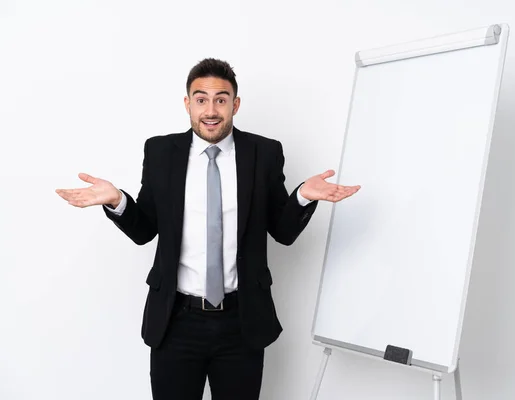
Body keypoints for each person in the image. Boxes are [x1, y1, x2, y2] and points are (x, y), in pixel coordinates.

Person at [55, 58, 360, 400]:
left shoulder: (264, 152)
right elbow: (145, 230)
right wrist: (117, 201)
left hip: (241, 323)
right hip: (176, 322)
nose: (211, 110)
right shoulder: (160, 151)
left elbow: (283, 232)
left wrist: (303, 196)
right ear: (188, 103)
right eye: (201, 99)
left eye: (221, 99)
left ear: (235, 104)